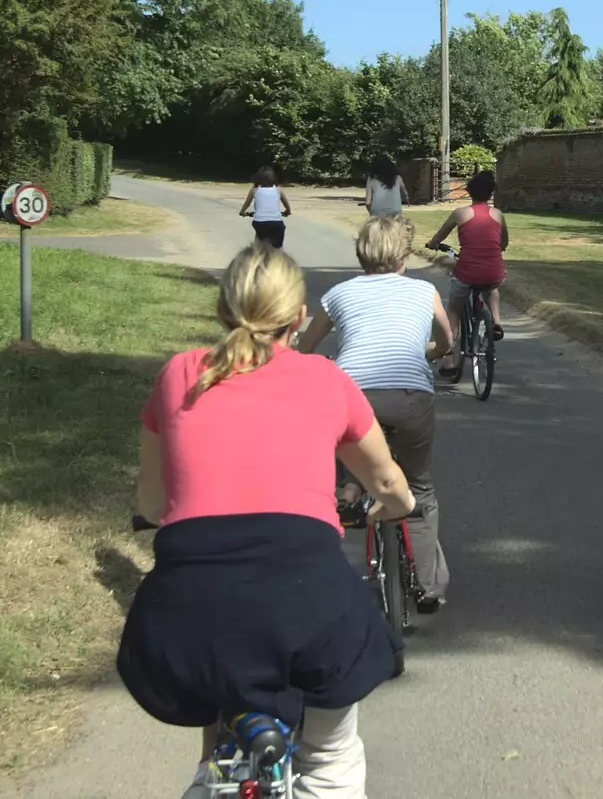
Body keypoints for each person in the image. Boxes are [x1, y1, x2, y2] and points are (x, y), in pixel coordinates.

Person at [119, 242, 414, 799]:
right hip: (308, 601)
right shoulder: (326, 379)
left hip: (195, 608)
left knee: (217, 754)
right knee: (330, 757)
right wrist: (398, 507)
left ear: (219, 312)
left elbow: (153, 502)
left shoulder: (180, 373)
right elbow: (385, 482)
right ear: (300, 319)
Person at [296, 214, 454, 611]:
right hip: (410, 395)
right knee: (418, 488)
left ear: (361, 254)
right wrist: (428, 355)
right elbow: (446, 341)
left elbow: (305, 348)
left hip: (354, 393)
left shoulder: (338, 294)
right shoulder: (424, 291)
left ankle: (350, 489)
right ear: (404, 256)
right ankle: (427, 587)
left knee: (350, 440)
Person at [425, 170, 508, 370]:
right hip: (492, 270)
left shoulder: (460, 213)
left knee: (454, 309)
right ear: (490, 194)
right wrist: (499, 247)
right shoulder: (498, 214)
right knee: (491, 287)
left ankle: (451, 358)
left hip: (467, 271)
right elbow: (504, 241)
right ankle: (496, 321)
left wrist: (433, 243)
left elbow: (440, 237)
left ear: (469, 193)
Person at [239, 166, 291, 248]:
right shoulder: (278, 190)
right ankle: (278, 255)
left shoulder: (254, 190)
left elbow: (247, 204)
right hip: (276, 223)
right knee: (278, 247)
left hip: (259, 222)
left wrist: (242, 212)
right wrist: (287, 212)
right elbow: (287, 206)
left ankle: (257, 254)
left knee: (259, 242)